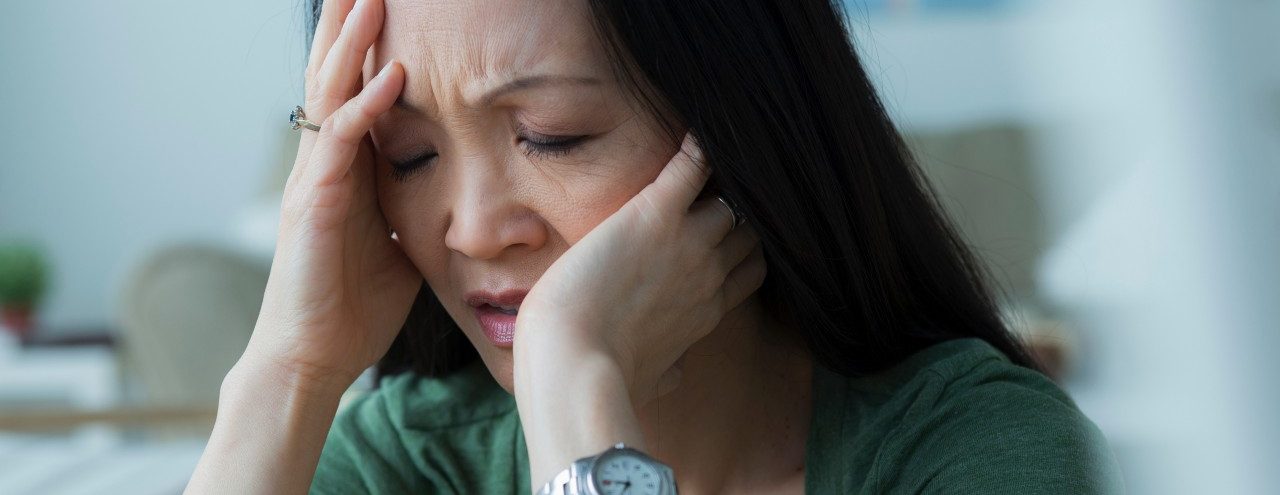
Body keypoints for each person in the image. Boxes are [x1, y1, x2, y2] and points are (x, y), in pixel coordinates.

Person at [186, 0, 1125, 493]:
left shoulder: (980, 452)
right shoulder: (416, 459)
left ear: (740, 133)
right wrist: (287, 369)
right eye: (411, 154)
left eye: (551, 135)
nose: (472, 229)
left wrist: (579, 388)